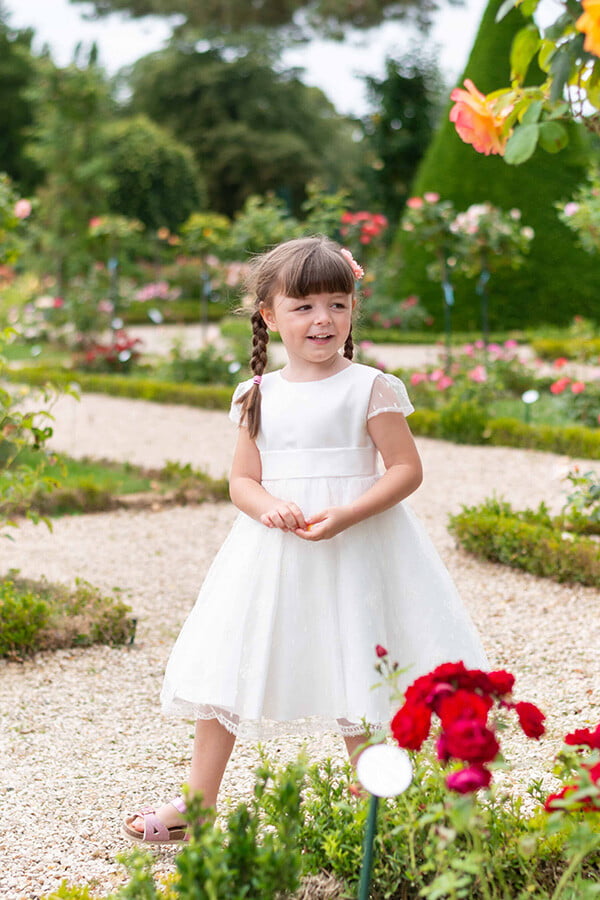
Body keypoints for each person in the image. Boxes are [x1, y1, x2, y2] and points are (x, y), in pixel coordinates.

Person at [123, 235, 487, 843]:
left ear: (352, 310)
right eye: (304, 306)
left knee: (359, 666)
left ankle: (377, 809)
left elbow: (405, 469)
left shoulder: (371, 386)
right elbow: (242, 480)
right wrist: (267, 507)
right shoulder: (257, 394)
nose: (323, 319)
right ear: (269, 314)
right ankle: (197, 803)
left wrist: (346, 514)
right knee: (229, 671)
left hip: (361, 548)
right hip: (272, 553)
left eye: (337, 304)